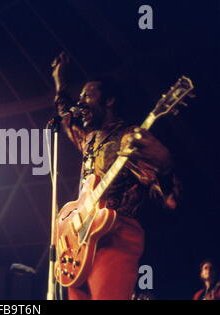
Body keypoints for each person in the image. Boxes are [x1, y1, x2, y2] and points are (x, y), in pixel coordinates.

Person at [51, 51, 180, 300]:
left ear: (109, 101)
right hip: (79, 245)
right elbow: (67, 117)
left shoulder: (129, 139)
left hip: (115, 236)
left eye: (88, 96)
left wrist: (164, 164)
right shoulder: (90, 139)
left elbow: (168, 197)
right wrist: (59, 81)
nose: (81, 103)